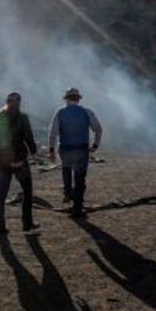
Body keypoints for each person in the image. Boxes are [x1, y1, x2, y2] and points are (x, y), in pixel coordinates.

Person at [47, 87, 103, 218]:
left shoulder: (60, 112)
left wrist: (51, 150)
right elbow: (98, 129)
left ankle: (68, 192)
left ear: (66, 99)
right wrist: (95, 145)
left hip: (65, 148)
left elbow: (52, 133)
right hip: (81, 149)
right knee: (79, 178)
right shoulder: (87, 112)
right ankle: (77, 207)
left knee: (66, 171)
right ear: (78, 99)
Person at [0, 92, 40, 235]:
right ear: (19, 103)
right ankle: (27, 224)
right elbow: (29, 137)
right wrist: (34, 153)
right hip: (19, 159)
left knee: (1, 194)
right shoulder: (23, 117)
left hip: (2, 160)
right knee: (27, 192)